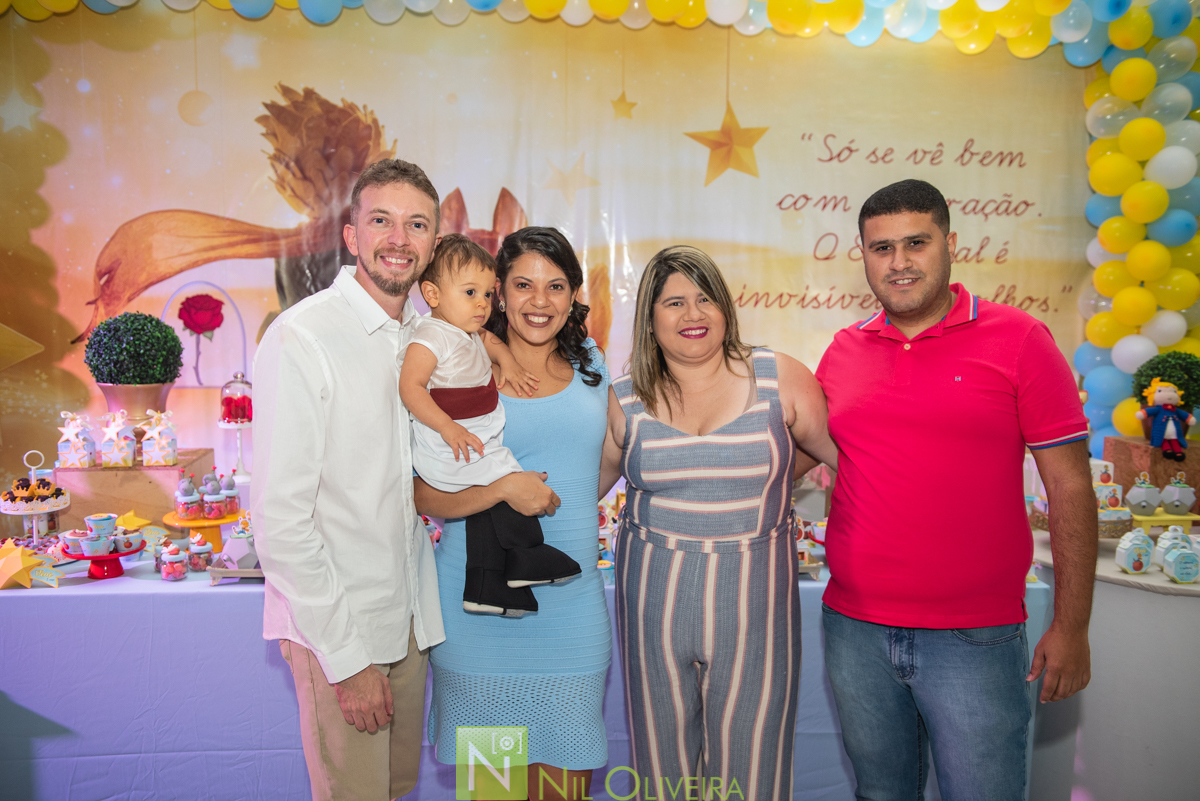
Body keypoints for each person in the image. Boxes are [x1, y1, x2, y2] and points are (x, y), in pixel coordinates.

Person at [815, 178, 1095, 800]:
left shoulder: (1020, 340)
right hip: (854, 629)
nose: (900, 262)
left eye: (916, 242)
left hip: (975, 637)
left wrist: (1073, 626)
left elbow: (1071, 486)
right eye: (881, 247)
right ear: (862, 255)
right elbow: (817, 461)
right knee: (880, 795)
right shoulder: (842, 352)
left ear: (950, 244)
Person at [598, 245, 838, 801]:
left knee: (752, 770)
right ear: (650, 319)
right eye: (674, 302)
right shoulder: (623, 400)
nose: (692, 314)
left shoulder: (781, 379)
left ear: (726, 307)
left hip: (756, 605)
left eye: (705, 298)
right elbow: (582, 492)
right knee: (661, 772)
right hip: (652, 604)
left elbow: (845, 459)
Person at [252, 158, 447, 801]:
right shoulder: (304, 337)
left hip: (410, 623)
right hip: (343, 628)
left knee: (393, 791)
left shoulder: (426, 339)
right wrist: (346, 657)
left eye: (416, 224)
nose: (399, 238)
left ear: (432, 242)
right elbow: (280, 521)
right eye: (381, 221)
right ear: (352, 236)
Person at [415, 227, 611, 801]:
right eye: (523, 285)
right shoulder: (459, 364)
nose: (539, 301)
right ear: (498, 292)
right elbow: (422, 494)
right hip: (479, 614)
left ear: (575, 294)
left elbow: (597, 465)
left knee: (563, 791)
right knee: (493, 795)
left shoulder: (593, 364)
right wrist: (504, 490)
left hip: (572, 614)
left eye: (555, 286)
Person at [399, 233, 581, 616]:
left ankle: (487, 587)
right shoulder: (431, 336)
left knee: (497, 495)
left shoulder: (468, 332)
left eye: (485, 293)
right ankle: (526, 554)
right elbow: (411, 387)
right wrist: (448, 428)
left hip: (471, 437)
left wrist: (509, 364)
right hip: (449, 445)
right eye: (470, 293)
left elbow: (492, 343)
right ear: (432, 295)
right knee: (508, 479)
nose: (481, 304)